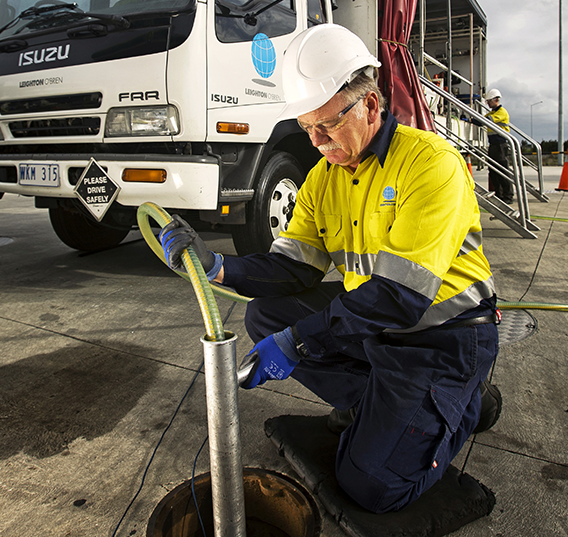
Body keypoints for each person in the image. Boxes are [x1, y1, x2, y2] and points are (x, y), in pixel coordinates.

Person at [159, 24, 501, 514]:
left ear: (370, 106)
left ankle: (464, 404)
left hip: (441, 337)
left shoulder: (431, 164)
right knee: (265, 315)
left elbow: (399, 298)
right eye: (306, 129)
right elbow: (292, 270)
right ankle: (383, 405)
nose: (317, 141)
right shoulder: (323, 179)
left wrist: (299, 341)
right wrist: (217, 267)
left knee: (372, 487)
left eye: (328, 124)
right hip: (377, 330)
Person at [484, 88, 514, 204]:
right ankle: (499, 194)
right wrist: (471, 119)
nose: (488, 103)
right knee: (493, 171)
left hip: (501, 145)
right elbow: (483, 119)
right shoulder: (492, 112)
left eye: (489, 101)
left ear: (496, 100)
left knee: (502, 171)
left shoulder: (501, 112)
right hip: (493, 145)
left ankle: (508, 196)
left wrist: (476, 119)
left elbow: (487, 120)